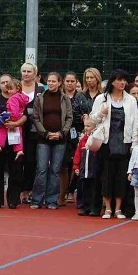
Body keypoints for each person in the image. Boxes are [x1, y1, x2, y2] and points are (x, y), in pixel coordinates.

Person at [90, 69, 138, 219]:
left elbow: (136, 121)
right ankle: (108, 208)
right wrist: (101, 113)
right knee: (106, 175)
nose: (122, 83)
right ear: (112, 82)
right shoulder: (101, 99)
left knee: (121, 176)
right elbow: (93, 120)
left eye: (124, 80)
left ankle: (118, 208)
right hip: (106, 142)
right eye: (119, 80)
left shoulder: (131, 100)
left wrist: (134, 143)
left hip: (124, 142)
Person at [30, 72, 73, 210]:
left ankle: (52, 200)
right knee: (41, 169)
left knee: (55, 170)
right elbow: (35, 118)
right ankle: (37, 199)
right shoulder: (40, 98)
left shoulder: (65, 99)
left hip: (60, 140)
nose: (51, 83)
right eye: (49, 81)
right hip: (43, 140)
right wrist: (46, 133)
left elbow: (69, 118)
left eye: (54, 81)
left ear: (59, 83)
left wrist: (61, 133)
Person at [0, 74, 25, 209]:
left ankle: (13, 199)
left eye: (7, 82)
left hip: (15, 138)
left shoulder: (19, 98)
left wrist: (16, 122)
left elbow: (25, 115)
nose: (5, 85)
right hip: (0, 138)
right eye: (2, 83)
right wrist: (1, 120)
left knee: (15, 169)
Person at [19, 62, 43, 202]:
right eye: (24, 71)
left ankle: (27, 191)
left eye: (29, 71)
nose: (26, 74)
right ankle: (16, 190)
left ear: (35, 73)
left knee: (31, 161)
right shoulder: (16, 87)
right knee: (17, 161)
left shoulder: (40, 89)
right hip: (18, 129)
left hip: (34, 130)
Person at [0, 78, 28, 160]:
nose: (9, 91)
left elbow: (14, 111)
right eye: (8, 89)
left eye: (11, 89)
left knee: (1, 129)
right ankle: (19, 150)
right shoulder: (22, 97)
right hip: (20, 117)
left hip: (13, 117)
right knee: (18, 134)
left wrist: (7, 115)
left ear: (17, 89)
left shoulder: (13, 98)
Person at [60, 71, 80, 205]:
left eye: (72, 81)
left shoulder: (80, 97)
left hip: (77, 132)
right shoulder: (59, 96)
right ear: (63, 82)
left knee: (76, 164)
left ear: (76, 82)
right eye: (67, 81)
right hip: (62, 134)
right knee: (63, 165)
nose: (70, 83)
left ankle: (71, 191)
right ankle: (62, 194)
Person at [73, 119, 100, 216]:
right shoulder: (83, 140)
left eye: (88, 126)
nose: (86, 128)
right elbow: (78, 154)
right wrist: (76, 166)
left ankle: (94, 208)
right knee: (84, 188)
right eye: (85, 126)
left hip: (93, 168)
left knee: (94, 188)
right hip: (84, 168)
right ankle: (85, 206)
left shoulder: (96, 140)